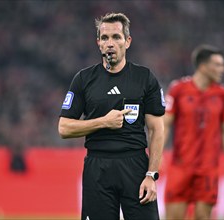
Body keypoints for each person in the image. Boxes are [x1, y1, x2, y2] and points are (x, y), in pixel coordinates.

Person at [58, 13, 165, 220]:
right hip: (98, 167)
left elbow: (156, 129)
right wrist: (103, 122)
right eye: (105, 38)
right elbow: (64, 128)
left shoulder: (145, 78)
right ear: (98, 43)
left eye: (116, 37)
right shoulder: (83, 79)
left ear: (127, 41)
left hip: (135, 166)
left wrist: (151, 175)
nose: (110, 43)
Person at [163, 45, 224, 220]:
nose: (223, 69)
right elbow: (165, 125)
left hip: (208, 170)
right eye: (218, 65)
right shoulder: (178, 89)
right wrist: (156, 157)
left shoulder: (222, 94)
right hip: (180, 167)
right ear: (203, 66)